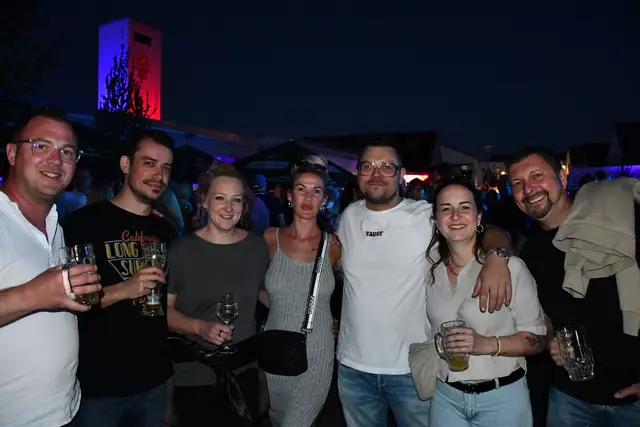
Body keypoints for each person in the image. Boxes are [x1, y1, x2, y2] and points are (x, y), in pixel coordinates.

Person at [336, 140, 513, 427]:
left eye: (386, 167)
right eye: (368, 166)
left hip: (411, 369)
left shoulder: (424, 216)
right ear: (358, 173)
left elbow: (493, 232)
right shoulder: (348, 217)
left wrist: (496, 257)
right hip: (353, 368)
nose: (376, 173)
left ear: (401, 174)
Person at [507, 147, 640, 427]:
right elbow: (544, 316)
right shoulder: (530, 252)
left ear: (563, 178)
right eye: (517, 183)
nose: (528, 189)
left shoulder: (619, 220)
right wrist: (549, 340)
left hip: (632, 398)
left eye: (537, 175)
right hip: (568, 397)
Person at [64, 130, 176, 427]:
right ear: (126, 164)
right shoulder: (83, 223)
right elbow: (67, 300)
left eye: (166, 167)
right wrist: (124, 289)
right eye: (149, 163)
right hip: (99, 387)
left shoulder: (167, 231)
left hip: (153, 381)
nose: (159, 175)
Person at [0, 106, 101, 427]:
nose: (56, 160)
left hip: (66, 409)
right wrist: (35, 294)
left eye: (67, 152)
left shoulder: (55, 224)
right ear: (12, 153)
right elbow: (39, 293)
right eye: (41, 146)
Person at [425, 178, 546, 427]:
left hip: (502, 399)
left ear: (479, 217)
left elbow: (537, 341)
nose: (455, 216)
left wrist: (485, 344)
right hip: (445, 397)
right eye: (446, 208)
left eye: (465, 207)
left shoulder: (511, 268)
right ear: (436, 221)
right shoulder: (429, 269)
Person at [167, 163, 269, 426]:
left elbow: (266, 295)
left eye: (237, 200)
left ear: (244, 206)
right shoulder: (182, 250)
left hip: (245, 372)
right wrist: (200, 327)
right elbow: (163, 312)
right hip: (196, 374)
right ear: (204, 200)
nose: (229, 208)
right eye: (220, 198)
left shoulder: (256, 246)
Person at [261, 156, 339, 426]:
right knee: (277, 418)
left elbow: (356, 290)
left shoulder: (335, 246)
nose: (308, 198)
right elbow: (254, 288)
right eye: (301, 189)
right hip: (275, 348)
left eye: (316, 191)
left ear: (324, 198)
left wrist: (340, 320)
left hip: (317, 352)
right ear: (289, 195)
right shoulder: (270, 239)